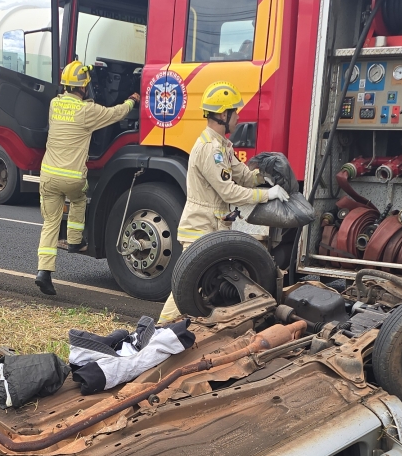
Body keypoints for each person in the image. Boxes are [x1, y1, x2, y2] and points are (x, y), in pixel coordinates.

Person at [158, 82, 289, 322]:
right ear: (222, 114)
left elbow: (246, 177)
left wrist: (266, 175)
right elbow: (229, 192)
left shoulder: (223, 147)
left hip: (213, 228)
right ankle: (158, 332)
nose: (238, 117)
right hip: (200, 228)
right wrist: (267, 195)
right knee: (185, 289)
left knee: (202, 288)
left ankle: (175, 335)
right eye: (235, 112)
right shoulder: (210, 149)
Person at [35, 61, 140, 296]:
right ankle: (74, 240)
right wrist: (132, 100)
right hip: (72, 179)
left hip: (48, 176)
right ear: (83, 88)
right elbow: (116, 113)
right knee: (79, 200)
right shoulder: (87, 111)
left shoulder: (54, 105)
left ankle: (44, 272)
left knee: (50, 223)